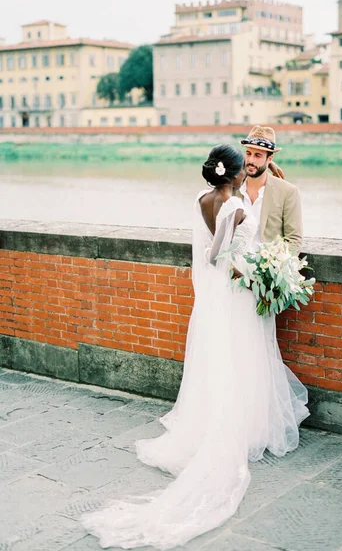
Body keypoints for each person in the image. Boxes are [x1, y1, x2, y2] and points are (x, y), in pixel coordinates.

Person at [81, 144, 309, 550]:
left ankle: (214, 419)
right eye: (246, 168)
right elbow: (217, 252)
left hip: (214, 295)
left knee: (219, 360)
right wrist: (254, 272)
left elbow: (205, 253)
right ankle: (240, 424)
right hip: (236, 290)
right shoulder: (234, 207)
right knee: (241, 358)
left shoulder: (202, 198)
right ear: (237, 173)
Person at [239, 125, 303, 254]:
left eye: (258, 155)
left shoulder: (288, 192)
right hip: (232, 270)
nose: (251, 160)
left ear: (269, 159)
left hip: (266, 270)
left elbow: (294, 240)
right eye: (248, 153)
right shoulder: (232, 187)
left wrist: (274, 267)